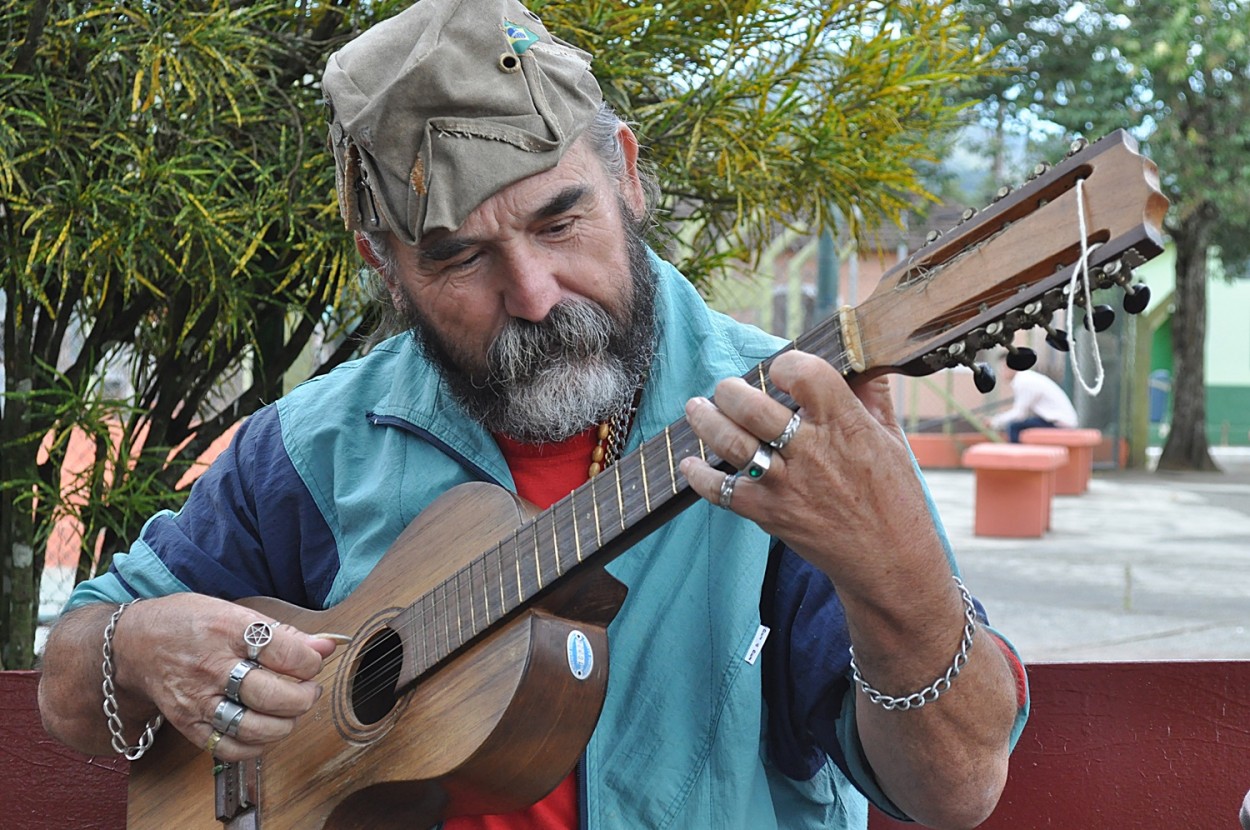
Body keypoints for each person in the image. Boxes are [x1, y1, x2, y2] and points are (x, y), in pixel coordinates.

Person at [37, 2, 1029, 828]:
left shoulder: (784, 420)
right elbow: (72, 679)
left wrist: (897, 572)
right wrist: (140, 642)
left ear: (627, 174)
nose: (535, 291)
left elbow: (953, 787)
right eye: (459, 257)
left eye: (561, 220)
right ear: (385, 263)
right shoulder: (307, 448)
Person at [989, 366, 1079, 443]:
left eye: (1002, 368)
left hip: (1059, 423)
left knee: (1014, 427)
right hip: (1059, 421)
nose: (1001, 372)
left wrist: (994, 421)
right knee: (1022, 425)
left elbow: (1019, 414)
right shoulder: (1028, 378)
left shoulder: (1024, 381)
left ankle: (1017, 459)